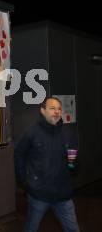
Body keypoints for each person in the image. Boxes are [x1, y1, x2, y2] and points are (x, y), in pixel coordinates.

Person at [14, 96, 80, 232]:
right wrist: (25, 181)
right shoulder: (31, 132)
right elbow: (19, 154)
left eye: (59, 109)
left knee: (73, 229)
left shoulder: (67, 132)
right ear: (43, 111)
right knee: (31, 228)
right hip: (39, 194)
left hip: (63, 195)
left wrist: (74, 165)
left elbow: (74, 158)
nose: (56, 111)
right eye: (52, 108)